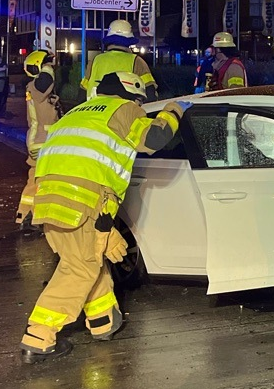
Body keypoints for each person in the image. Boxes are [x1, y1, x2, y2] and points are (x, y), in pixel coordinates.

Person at [19, 72, 188, 363]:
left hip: (48, 200)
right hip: (83, 201)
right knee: (79, 270)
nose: (139, 104)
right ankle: (39, 335)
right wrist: (174, 111)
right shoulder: (124, 110)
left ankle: (103, 322)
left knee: (85, 260)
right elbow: (156, 138)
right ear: (133, 96)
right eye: (139, 100)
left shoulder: (76, 113)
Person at [16, 50, 61, 227]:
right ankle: (38, 216)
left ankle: (26, 214)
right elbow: (45, 81)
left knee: (35, 180)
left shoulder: (36, 90)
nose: (51, 69)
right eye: (47, 65)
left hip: (40, 142)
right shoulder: (37, 87)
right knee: (45, 181)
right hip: (44, 142)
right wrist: (48, 68)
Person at [80, 20, 158, 101]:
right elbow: (150, 92)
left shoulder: (95, 60)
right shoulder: (137, 61)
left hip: (94, 110)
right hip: (123, 111)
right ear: (129, 41)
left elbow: (83, 91)